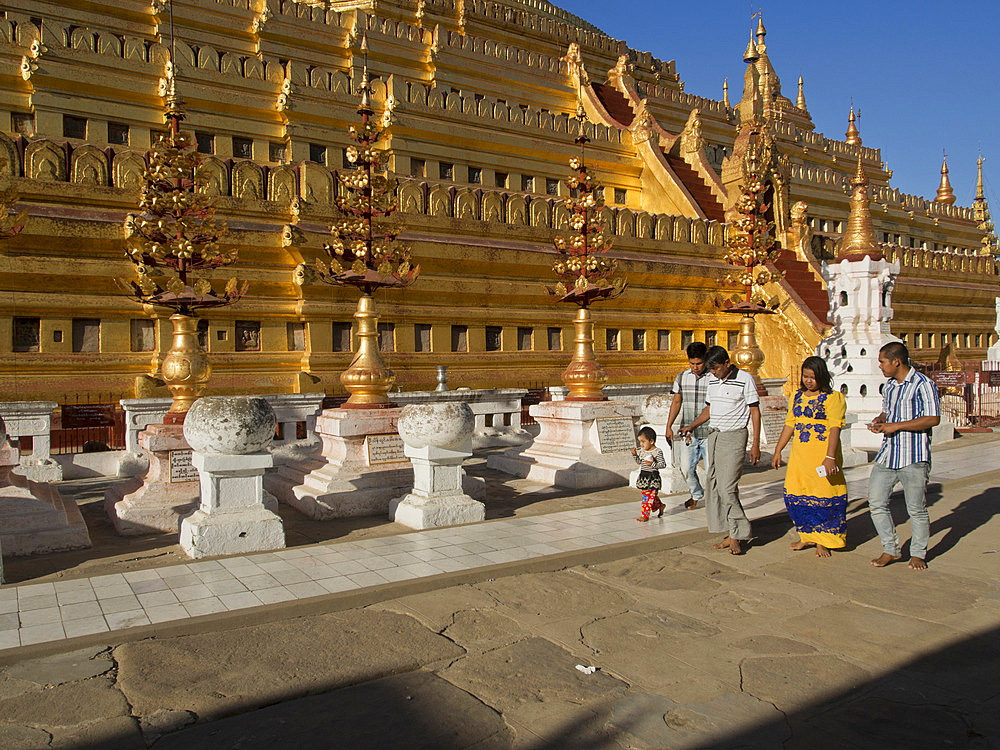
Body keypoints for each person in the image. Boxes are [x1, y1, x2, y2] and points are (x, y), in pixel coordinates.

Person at [680, 346, 761, 555]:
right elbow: (709, 409)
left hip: (734, 436)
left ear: (727, 363)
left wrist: (755, 444)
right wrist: (692, 425)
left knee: (727, 487)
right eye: (711, 369)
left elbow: (754, 411)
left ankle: (739, 532)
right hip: (713, 435)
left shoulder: (745, 379)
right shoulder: (714, 381)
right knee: (714, 485)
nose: (713, 372)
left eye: (716, 368)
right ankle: (731, 532)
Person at [867, 341, 940, 570]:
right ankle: (891, 548)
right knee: (876, 502)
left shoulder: (923, 384)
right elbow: (888, 411)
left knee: (916, 508)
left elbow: (933, 418)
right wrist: (881, 421)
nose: (880, 366)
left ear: (896, 361)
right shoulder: (889, 386)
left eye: (882, 362)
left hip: (913, 456)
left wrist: (896, 426)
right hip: (889, 454)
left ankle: (918, 553)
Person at [771, 357, 848, 557]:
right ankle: (808, 535)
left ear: (821, 377)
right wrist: (778, 449)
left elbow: (834, 428)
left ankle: (825, 540)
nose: (808, 381)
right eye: (805, 376)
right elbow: (790, 424)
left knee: (825, 496)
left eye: (812, 377)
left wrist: (830, 457)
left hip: (823, 456)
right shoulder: (797, 396)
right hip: (800, 456)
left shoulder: (833, 398)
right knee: (797, 494)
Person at [665, 341, 710, 510]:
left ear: (705, 360)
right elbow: (677, 401)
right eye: (692, 363)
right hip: (688, 433)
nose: (695, 367)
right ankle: (696, 494)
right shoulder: (682, 377)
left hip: (710, 431)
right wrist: (668, 426)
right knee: (685, 468)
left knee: (711, 470)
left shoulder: (714, 378)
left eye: (699, 363)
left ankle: (714, 500)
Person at [631, 426, 666, 522]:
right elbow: (639, 462)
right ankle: (661, 505)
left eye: (643, 441)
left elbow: (662, 464)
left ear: (651, 441)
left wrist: (653, 464)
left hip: (653, 478)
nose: (641, 444)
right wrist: (634, 455)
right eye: (640, 442)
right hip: (644, 477)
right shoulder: (642, 451)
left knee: (648, 497)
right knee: (649, 495)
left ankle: (645, 515)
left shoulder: (657, 452)